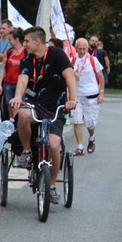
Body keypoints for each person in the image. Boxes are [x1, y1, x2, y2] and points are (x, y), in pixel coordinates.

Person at [10, 26, 77, 204]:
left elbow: (69, 75)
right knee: (23, 115)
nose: (24, 44)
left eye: (26, 41)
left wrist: (73, 100)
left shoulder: (57, 54)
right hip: (35, 103)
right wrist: (18, 96)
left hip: (56, 105)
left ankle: (52, 185)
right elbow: (23, 78)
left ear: (37, 41)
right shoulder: (28, 58)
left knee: (54, 146)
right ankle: (26, 151)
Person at [71, 38, 105, 155]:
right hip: (77, 95)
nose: (81, 51)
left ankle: (92, 137)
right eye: (79, 48)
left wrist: (101, 92)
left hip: (91, 94)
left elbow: (101, 77)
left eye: (84, 49)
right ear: (76, 48)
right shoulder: (72, 60)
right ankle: (80, 146)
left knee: (90, 123)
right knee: (77, 120)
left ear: (87, 48)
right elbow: (68, 77)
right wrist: (73, 75)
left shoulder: (92, 60)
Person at [0, 28, 25, 119]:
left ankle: (18, 124)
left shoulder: (25, 52)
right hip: (8, 82)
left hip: (20, 83)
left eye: (10, 39)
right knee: (9, 105)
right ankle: (11, 123)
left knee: (19, 105)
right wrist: (0, 84)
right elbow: (3, 68)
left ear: (16, 39)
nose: (9, 42)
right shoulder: (9, 52)